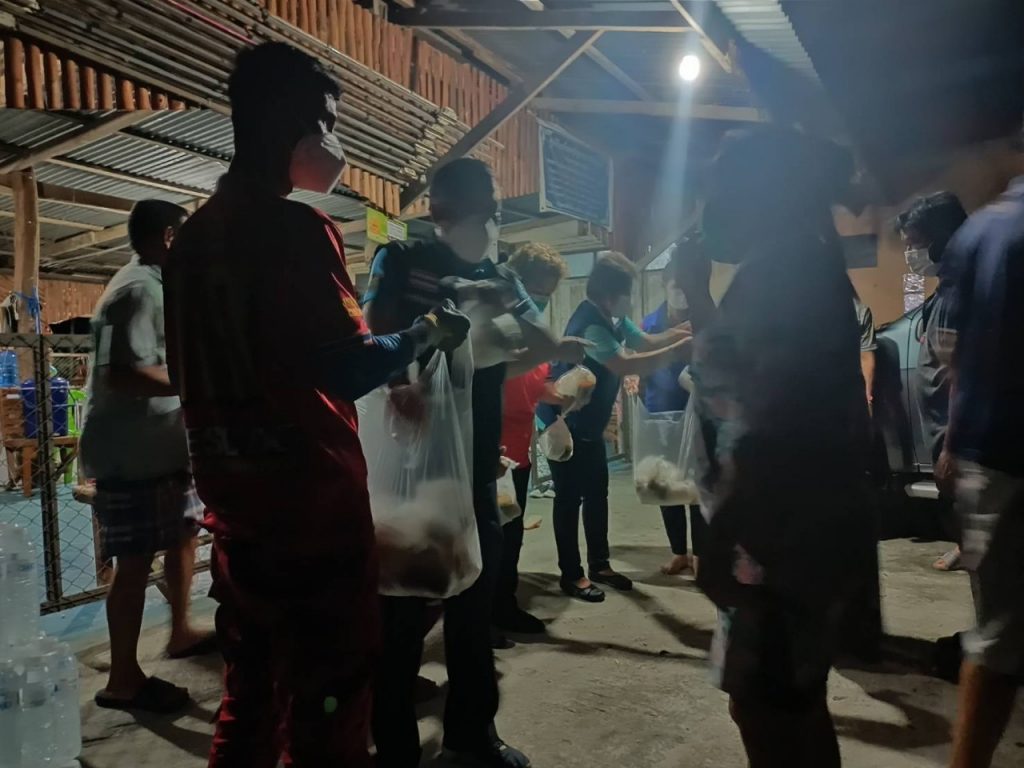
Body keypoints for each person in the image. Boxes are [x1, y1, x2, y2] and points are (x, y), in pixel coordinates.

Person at [164, 42, 469, 768]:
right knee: (330, 697)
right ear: (285, 124)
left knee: (250, 690)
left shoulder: (192, 241)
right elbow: (343, 363)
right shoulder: (297, 230)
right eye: (326, 121)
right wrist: (425, 333)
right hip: (312, 510)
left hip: (234, 504)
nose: (333, 139)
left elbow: (187, 369)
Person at [364, 158, 584, 768]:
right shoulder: (401, 259)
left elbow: (538, 342)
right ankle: (394, 749)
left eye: (495, 206)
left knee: (473, 605)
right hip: (412, 472)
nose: (491, 215)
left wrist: (512, 312)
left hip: (477, 466)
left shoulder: (496, 272)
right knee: (403, 607)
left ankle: (470, 735)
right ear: (440, 208)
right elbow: (375, 341)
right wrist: (408, 376)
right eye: (482, 204)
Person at [686, 126, 870, 767]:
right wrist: (696, 292)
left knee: (768, 707)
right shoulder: (797, 265)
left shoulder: (783, 274)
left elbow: (769, 420)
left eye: (717, 190)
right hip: (792, 527)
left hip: (776, 532)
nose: (707, 209)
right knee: (787, 700)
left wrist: (723, 533)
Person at [81, 199, 213, 714]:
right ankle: (123, 678)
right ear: (170, 236)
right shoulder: (134, 290)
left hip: (162, 447)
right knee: (134, 561)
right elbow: (123, 374)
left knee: (183, 537)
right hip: (130, 454)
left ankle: (180, 630)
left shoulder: (159, 285)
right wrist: (198, 380)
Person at [538, 252, 692, 603]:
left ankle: (600, 565)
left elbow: (645, 342)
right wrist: (679, 349)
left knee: (597, 495)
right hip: (568, 423)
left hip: (589, 426)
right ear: (611, 293)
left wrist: (680, 332)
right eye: (627, 292)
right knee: (569, 500)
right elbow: (624, 364)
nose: (630, 299)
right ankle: (572, 574)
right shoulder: (590, 323)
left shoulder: (612, 318)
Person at [942, 167, 1024, 768]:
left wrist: (951, 442)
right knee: (1001, 638)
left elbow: (953, 354)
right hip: (1005, 451)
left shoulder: (978, 232)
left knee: (998, 632)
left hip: (989, 454)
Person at [494, 242, 574, 639]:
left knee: (510, 536)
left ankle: (503, 606)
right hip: (489, 452)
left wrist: (560, 394)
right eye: (537, 292)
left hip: (518, 453)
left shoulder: (533, 330)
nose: (541, 301)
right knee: (488, 539)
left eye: (547, 295)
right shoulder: (496, 325)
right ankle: (481, 619)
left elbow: (532, 383)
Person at [895, 192, 969, 572]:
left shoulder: (961, 293)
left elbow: (962, 374)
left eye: (915, 244)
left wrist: (951, 447)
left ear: (942, 238)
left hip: (958, 441)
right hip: (945, 435)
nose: (910, 254)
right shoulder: (945, 290)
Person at [640, 239, 706, 576]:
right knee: (665, 486)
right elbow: (637, 364)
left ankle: (701, 554)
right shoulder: (649, 324)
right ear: (664, 285)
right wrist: (634, 384)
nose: (680, 293)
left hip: (696, 415)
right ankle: (679, 552)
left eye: (685, 286)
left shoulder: (703, 320)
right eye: (674, 285)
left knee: (696, 488)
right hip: (660, 414)